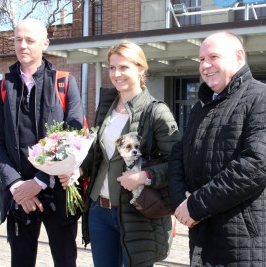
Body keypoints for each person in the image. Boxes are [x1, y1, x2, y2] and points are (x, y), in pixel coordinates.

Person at [168, 32, 266, 266]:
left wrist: (195, 205)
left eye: (213, 56)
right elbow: (178, 156)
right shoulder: (200, 108)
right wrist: (179, 202)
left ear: (238, 57)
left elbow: (258, 163)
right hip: (203, 237)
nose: (205, 65)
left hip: (246, 246)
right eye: (201, 59)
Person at [59, 40, 180, 267]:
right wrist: (79, 170)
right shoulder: (107, 105)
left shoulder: (156, 111)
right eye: (112, 68)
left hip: (136, 214)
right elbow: (97, 153)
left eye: (124, 67)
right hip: (99, 210)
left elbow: (176, 163)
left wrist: (144, 177)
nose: (116, 74)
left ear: (140, 68)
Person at [0, 18, 84, 267]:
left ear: (45, 43)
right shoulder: (3, 87)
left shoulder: (64, 82)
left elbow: (72, 136)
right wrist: (18, 186)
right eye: (18, 39)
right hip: (19, 196)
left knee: (65, 262)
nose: (23, 45)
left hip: (58, 194)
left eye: (30, 40)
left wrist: (40, 181)